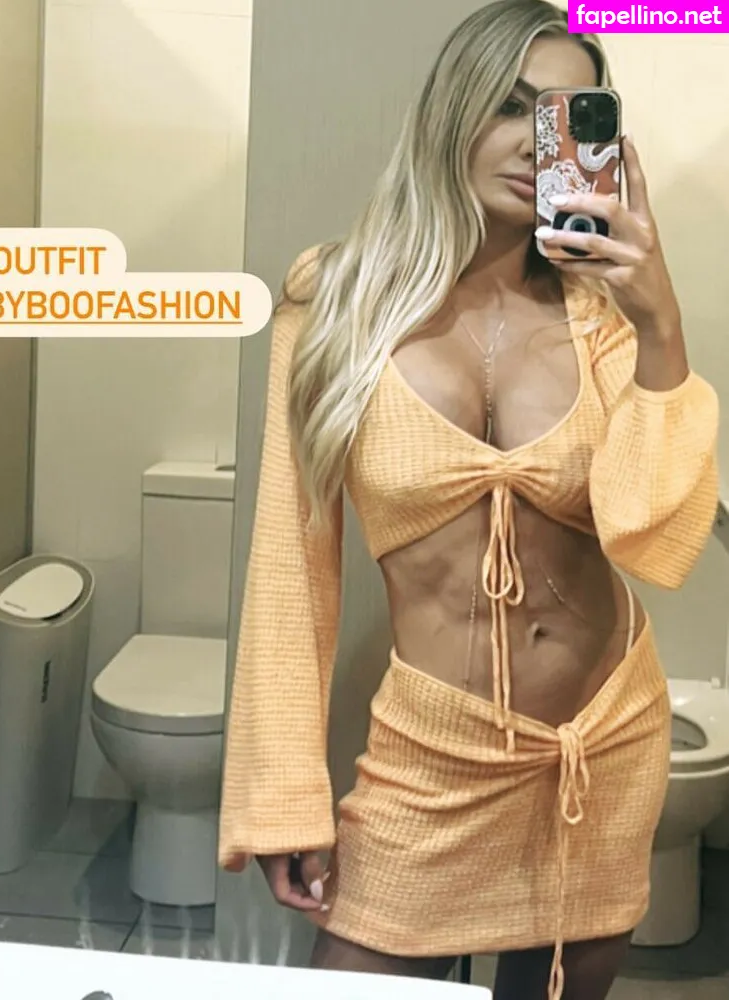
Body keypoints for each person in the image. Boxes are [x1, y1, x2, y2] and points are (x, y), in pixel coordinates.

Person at [217, 2, 719, 999]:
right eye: (511, 107)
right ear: (451, 110)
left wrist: (660, 323)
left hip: (600, 745)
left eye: (565, 120)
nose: (535, 144)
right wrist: (282, 795)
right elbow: (291, 559)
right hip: (433, 759)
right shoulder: (334, 298)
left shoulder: (602, 317)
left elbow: (653, 540)